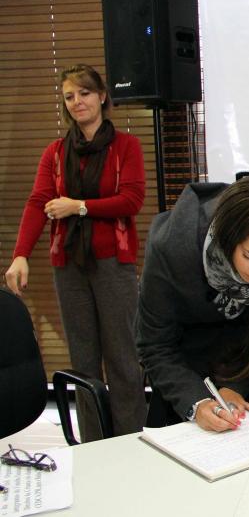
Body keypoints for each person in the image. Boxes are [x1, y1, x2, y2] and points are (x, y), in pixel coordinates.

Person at [5, 64, 146, 442]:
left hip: (113, 263)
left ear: (101, 97)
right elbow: (38, 202)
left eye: (84, 93)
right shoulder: (54, 153)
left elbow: (131, 200)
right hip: (68, 264)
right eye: (69, 97)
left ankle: (130, 440)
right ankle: (95, 443)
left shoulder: (125, 147)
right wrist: (20, 254)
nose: (77, 102)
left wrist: (79, 206)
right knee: (83, 360)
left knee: (123, 357)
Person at [135, 176, 249, 431]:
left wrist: (235, 387)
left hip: (239, 363)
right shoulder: (171, 248)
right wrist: (196, 402)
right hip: (179, 369)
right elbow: (155, 344)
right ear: (229, 237)